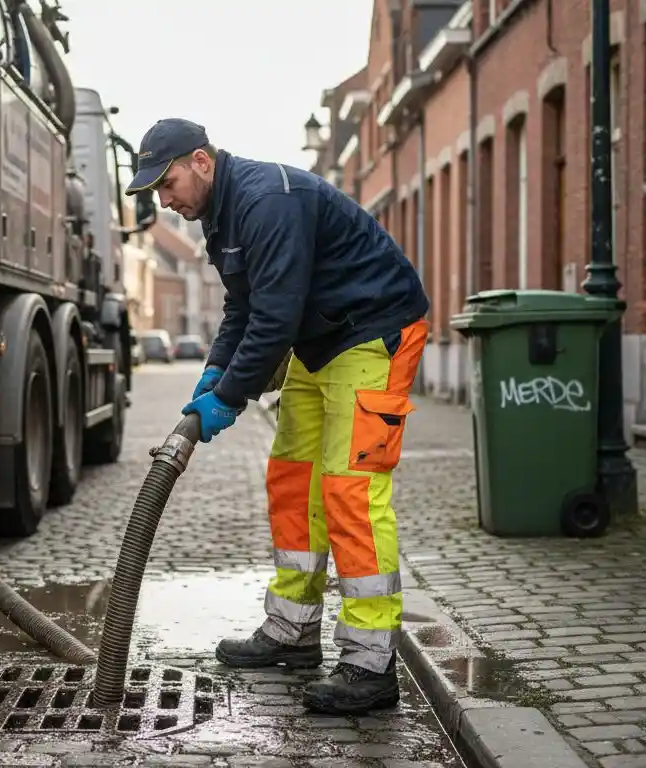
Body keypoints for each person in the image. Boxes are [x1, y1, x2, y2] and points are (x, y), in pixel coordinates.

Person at [125, 118, 430, 716]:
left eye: (167, 183)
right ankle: (293, 630)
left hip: (375, 332)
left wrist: (229, 397)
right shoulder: (221, 217)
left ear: (202, 161)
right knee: (293, 479)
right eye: (155, 190)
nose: (163, 200)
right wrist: (215, 373)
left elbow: (275, 318)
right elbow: (242, 307)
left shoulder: (267, 201)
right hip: (321, 344)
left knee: (349, 490)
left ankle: (371, 661)